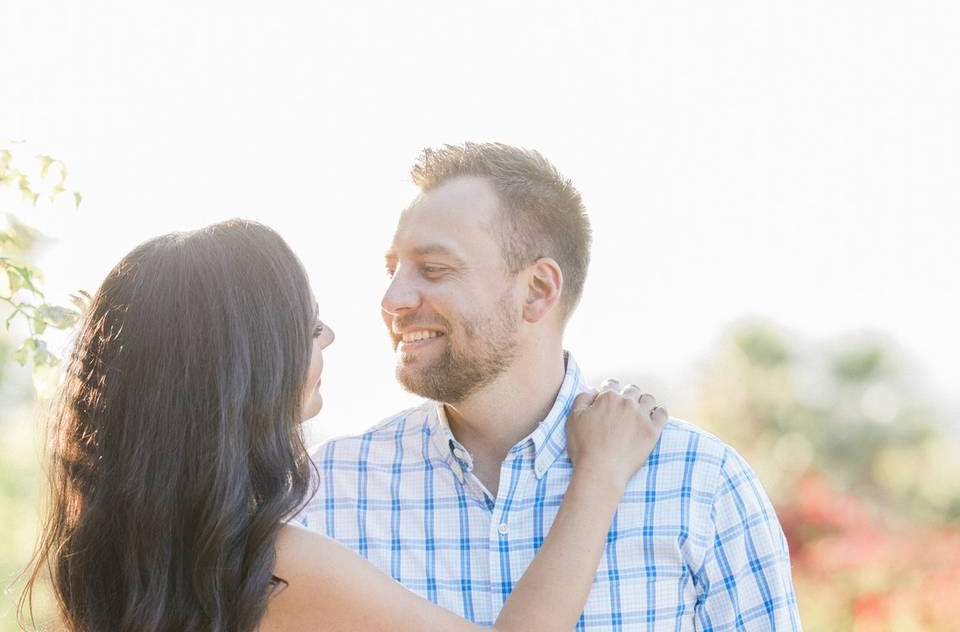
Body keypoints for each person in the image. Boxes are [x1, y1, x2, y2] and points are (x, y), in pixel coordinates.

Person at [19, 219, 667, 632]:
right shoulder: (268, 568)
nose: (327, 335)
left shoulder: (120, 557)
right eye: (306, 324)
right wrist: (601, 476)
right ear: (249, 364)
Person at [300, 143, 803, 630]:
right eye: (393, 270)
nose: (393, 298)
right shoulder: (326, 490)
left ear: (537, 291)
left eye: (433, 269)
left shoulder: (701, 484)